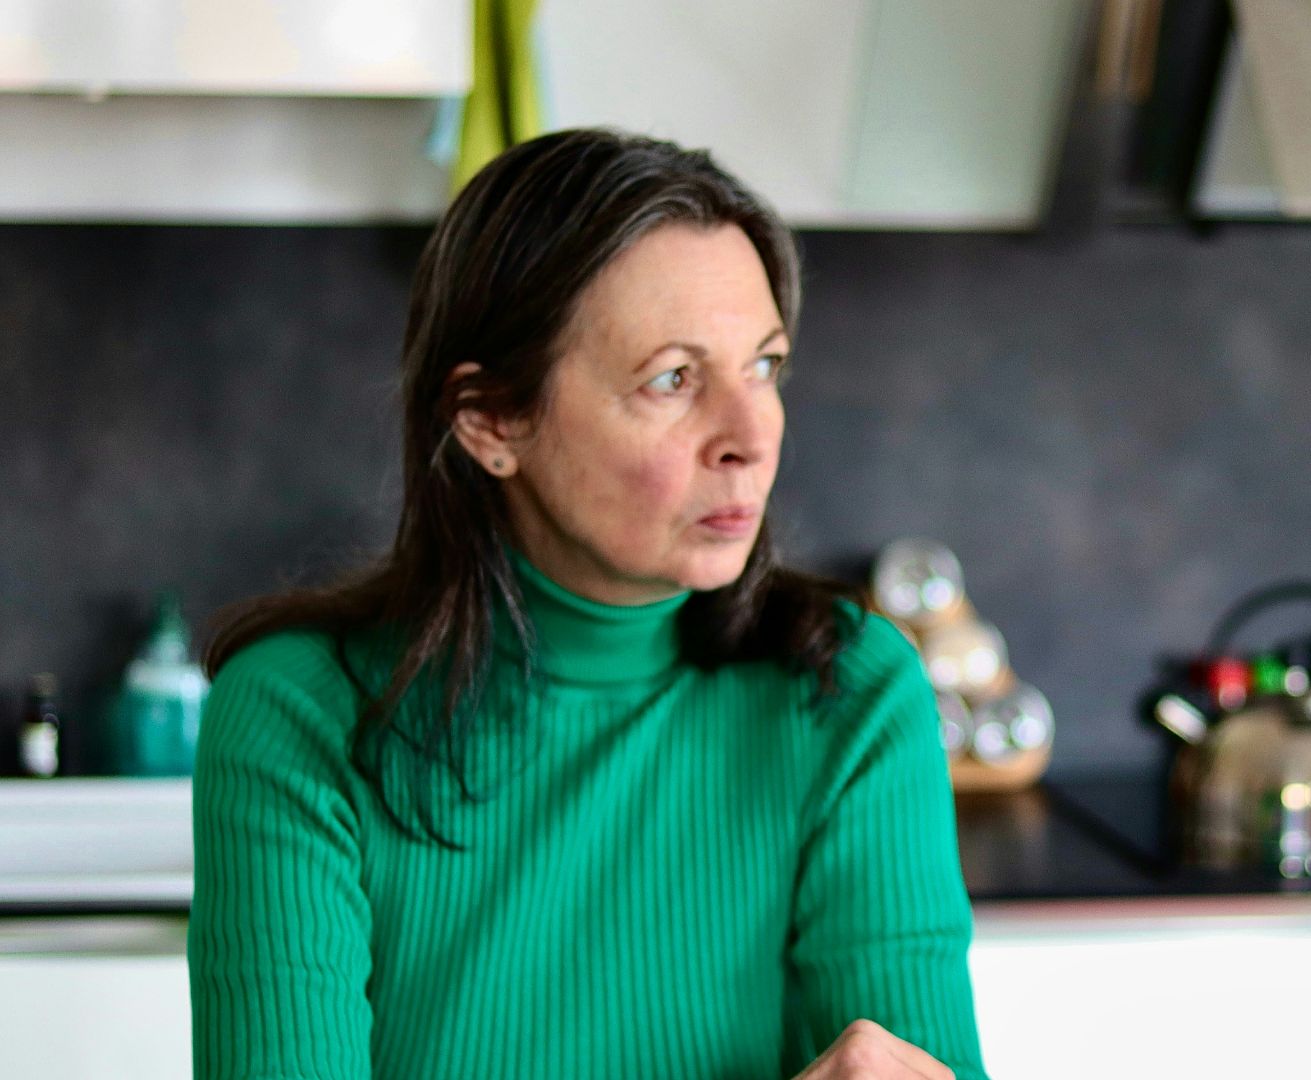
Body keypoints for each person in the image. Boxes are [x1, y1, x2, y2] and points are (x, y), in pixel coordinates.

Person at [188, 127, 988, 1080]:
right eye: (673, 380)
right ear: (490, 419)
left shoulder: (849, 691)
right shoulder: (299, 713)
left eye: (764, 366)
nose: (748, 435)